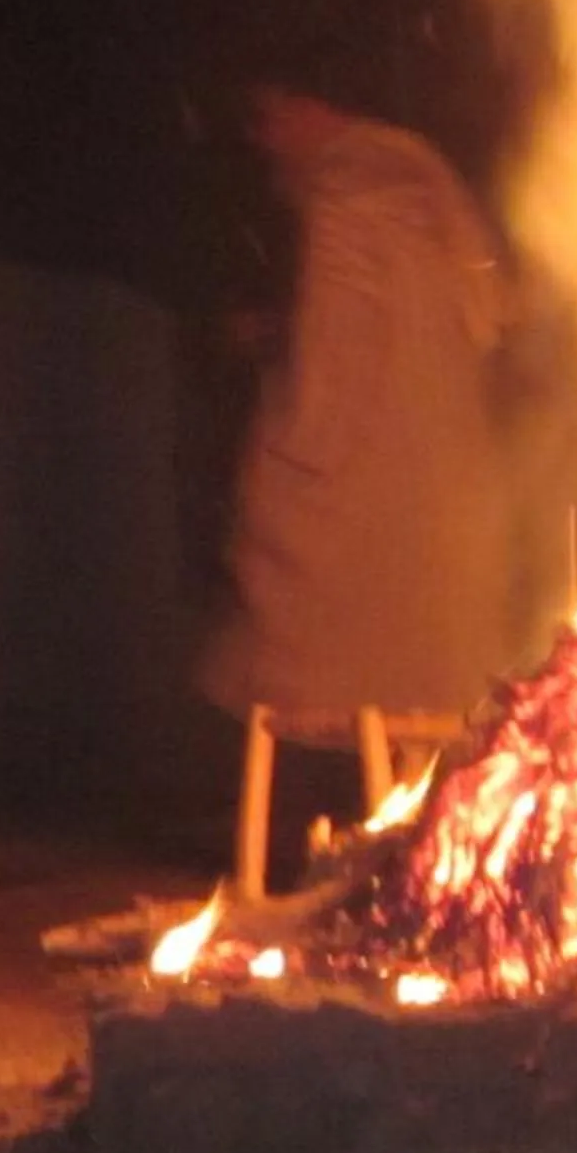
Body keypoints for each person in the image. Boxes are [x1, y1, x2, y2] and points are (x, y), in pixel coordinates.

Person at [197, 75, 517, 729]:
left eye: (270, 117)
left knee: (330, 689)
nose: (266, 141)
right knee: (429, 699)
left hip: (366, 505)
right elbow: (486, 315)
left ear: (308, 102)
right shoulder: (426, 182)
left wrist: (282, 470)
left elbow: (331, 367)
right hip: (446, 502)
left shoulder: (347, 194)